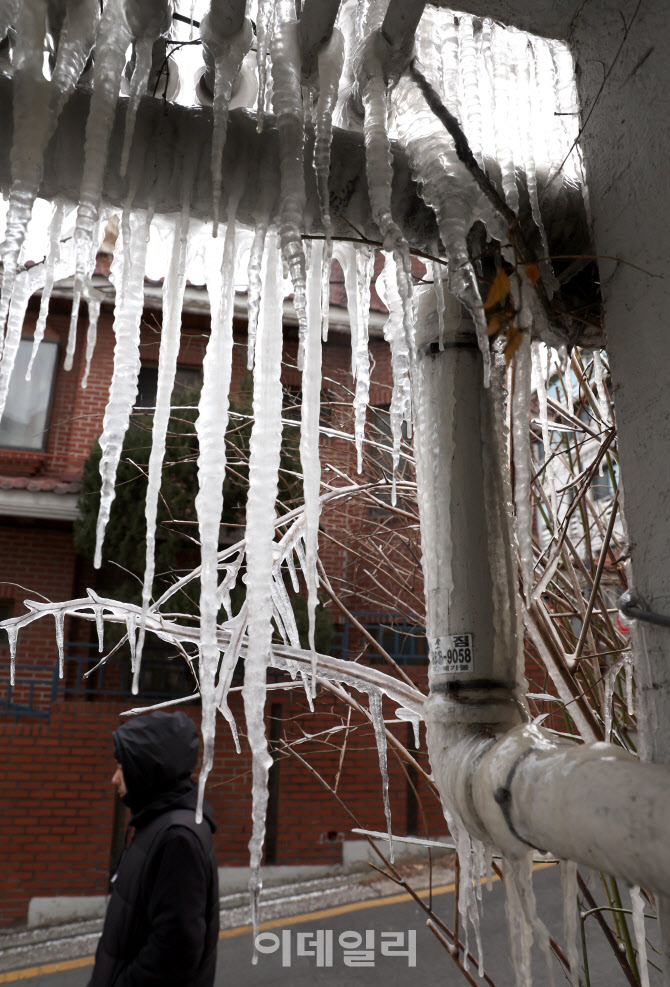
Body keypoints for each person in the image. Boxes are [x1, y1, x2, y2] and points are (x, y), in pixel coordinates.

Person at [87, 710, 219, 987]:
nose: (114, 779)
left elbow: (174, 951)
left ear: (145, 768)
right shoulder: (157, 824)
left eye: (121, 768)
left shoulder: (176, 838)